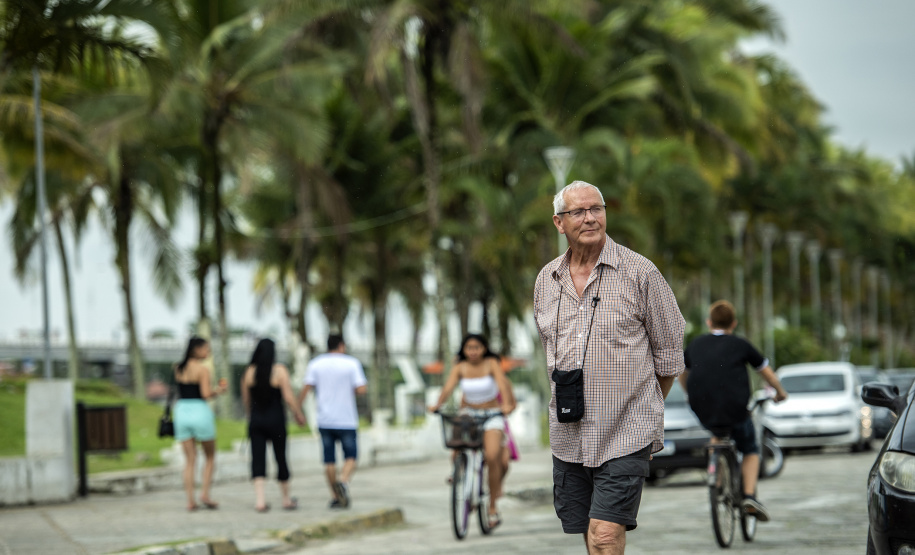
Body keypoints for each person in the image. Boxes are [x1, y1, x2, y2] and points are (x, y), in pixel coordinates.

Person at [533, 181, 685, 554]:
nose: (589, 218)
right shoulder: (546, 281)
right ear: (559, 222)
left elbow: (669, 355)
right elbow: (549, 354)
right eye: (578, 212)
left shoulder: (640, 272)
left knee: (605, 533)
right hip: (569, 434)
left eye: (596, 209)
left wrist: (643, 412)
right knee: (589, 533)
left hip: (625, 432)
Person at [679, 300, 788, 521]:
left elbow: (682, 372)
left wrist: (688, 392)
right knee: (750, 448)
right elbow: (765, 372)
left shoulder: (696, 345)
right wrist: (780, 392)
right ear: (734, 323)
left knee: (716, 435)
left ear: (709, 322)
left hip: (703, 408)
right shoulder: (741, 344)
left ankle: (717, 479)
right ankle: (749, 495)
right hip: (736, 408)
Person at [428, 334, 516, 528]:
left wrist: (508, 404)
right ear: (464, 350)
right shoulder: (460, 367)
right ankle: (459, 471)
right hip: (469, 414)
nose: (473, 351)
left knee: (492, 456)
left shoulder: (491, 363)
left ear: (484, 348)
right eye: (469, 348)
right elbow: (448, 388)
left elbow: (502, 383)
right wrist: (437, 405)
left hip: (492, 414)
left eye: (477, 347)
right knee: (456, 442)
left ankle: (492, 506)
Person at [297, 334, 367, 509]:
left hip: (325, 419)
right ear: (342, 346)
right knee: (351, 456)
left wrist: (297, 411)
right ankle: (343, 482)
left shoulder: (316, 364)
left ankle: (336, 496)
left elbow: (306, 389)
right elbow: (361, 388)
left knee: (329, 460)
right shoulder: (351, 363)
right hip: (347, 420)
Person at [241, 338, 307, 512]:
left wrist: (251, 417)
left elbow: (246, 400)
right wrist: (298, 414)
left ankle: (260, 501)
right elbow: (288, 397)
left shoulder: (249, 372)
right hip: (276, 421)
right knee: (281, 458)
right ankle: (286, 499)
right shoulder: (279, 371)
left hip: (256, 421)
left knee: (258, 460)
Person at [172, 336, 228, 512]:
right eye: (206, 349)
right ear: (196, 349)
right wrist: (219, 390)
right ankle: (204, 493)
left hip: (181, 411)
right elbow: (205, 394)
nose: (208, 352)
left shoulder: (178, 368)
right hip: (199, 411)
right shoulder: (203, 370)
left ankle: (190, 500)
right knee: (210, 456)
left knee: (189, 460)